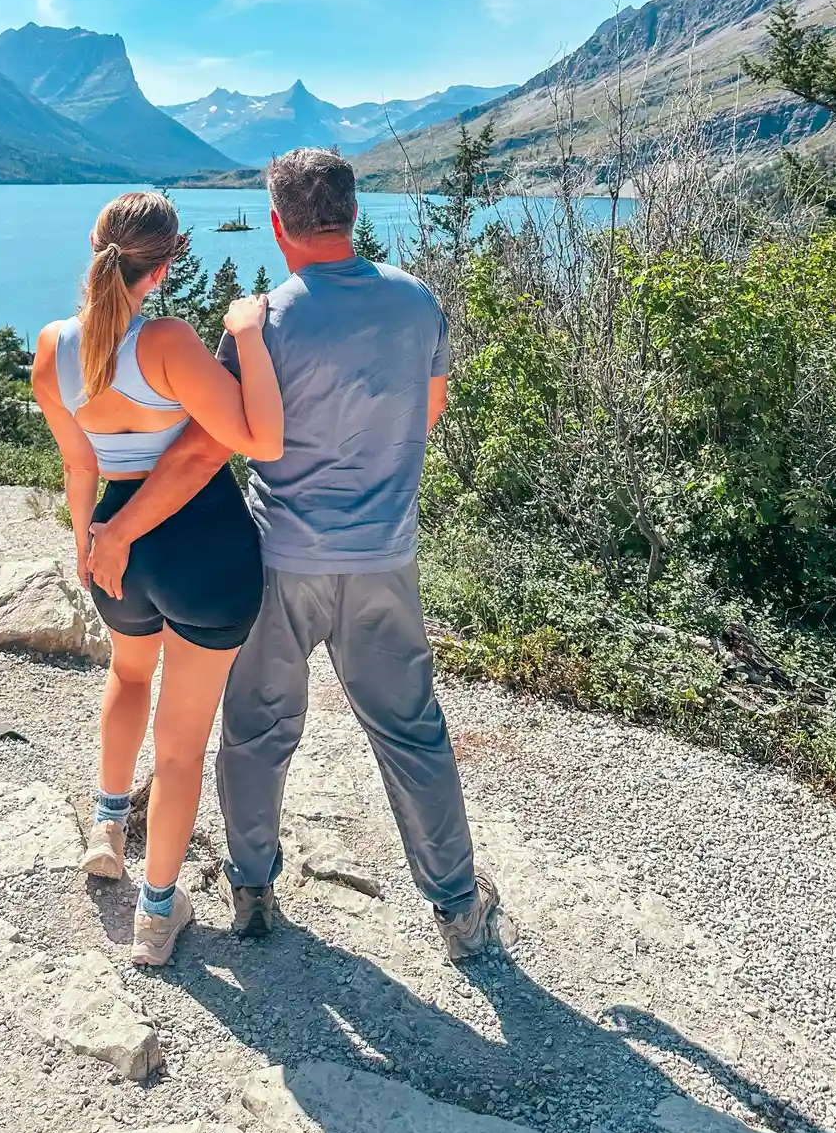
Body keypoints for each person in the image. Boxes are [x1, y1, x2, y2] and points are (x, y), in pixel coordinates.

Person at [86, 150, 500, 961]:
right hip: (383, 554)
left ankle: (251, 889)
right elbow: (431, 408)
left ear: (278, 225)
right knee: (411, 730)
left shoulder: (264, 319)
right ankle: (456, 908)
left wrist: (122, 526)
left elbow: (208, 449)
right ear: (352, 215)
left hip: (280, 556)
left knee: (257, 726)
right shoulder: (417, 302)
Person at [31, 190, 283, 967]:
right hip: (202, 547)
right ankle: (155, 914)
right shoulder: (169, 341)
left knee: (127, 677)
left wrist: (89, 550)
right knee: (181, 748)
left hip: (118, 548)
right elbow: (257, 439)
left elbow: (80, 466)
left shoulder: (53, 347)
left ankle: (108, 825)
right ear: (168, 264)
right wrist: (248, 335)